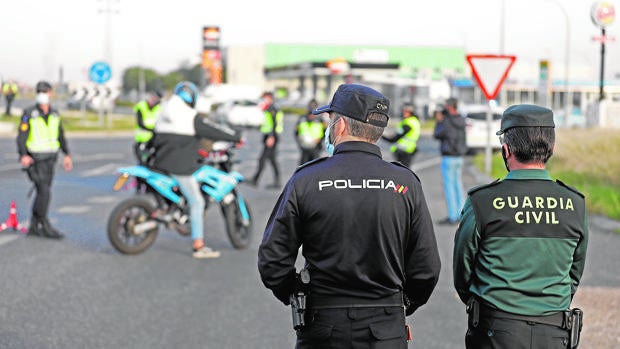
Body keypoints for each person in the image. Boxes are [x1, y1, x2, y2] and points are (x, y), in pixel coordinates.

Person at [258, 83, 441, 349]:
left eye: (330, 120)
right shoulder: (405, 183)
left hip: (322, 325)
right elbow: (426, 268)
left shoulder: (307, 179)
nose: (328, 127)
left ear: (341, 125)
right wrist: (399, 304)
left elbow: (272, 260)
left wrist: (297, 293)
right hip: (386, 327)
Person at [453, 104, 588, 349]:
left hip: (495, 330)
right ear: (552, 149)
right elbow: (573, 275)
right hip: (554, 332)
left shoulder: (482, 201)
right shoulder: (574, 203)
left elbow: (462, 271)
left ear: (506, 150)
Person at [152, 81, 242, 259]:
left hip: (160, 164)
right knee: (197, 202)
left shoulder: (163, 112)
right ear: (192, 97)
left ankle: (170, 211)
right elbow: (211, 130)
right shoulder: (190, 115)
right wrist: (235, 137)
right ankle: (198, 246)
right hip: (182, 167)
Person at [16, 80, 72, 239]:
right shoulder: (29, 114)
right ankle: (44, 223)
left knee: (43, 191)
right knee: (44, 192)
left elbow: (60, 135)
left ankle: (34, 225)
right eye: (40, 92)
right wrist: (23, 155)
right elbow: (22, 136)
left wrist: (67, 154)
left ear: (50, 94)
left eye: (45, 92)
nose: (43, 95)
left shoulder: (55, 114)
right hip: (36, 160)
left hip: (50, 159)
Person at [433, 97, 467, 225]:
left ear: (449, 106)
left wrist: (439, 121)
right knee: (458, 185)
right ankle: (461, 214)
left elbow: (437, 134)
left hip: (449, 156)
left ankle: (453, 216)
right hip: (459, 157)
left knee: (449, 187)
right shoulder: (461, 119)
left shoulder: (446, 121)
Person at [248, 91, 283, 189]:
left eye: (265, 98)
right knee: (272, 160)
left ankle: (255, 180)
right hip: (270, 136)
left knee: (262, 159)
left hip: (271, 137)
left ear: (270, 98)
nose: (263, 100)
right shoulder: (270, 108)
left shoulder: (272, 108)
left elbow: (274, 123)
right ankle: (276, 182)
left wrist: (271, 137)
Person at [133, 90, 162, 166]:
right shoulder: (141, 106)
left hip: (154, 139)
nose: (154, 100)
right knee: (142, 161)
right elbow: (140, 123)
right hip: (142, 139)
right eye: (153, 97)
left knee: (153, 161)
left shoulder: (159, 108)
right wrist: (151, 130)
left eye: (156, 99)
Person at [294, 98, 326, 165]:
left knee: (315, 168)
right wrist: (300, 143)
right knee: (303, 168)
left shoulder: (320, 120)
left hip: (316, 148)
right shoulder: (302, 119)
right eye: (310, 113)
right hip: (304, 148)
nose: (312, 115)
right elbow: (296, 133)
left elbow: (325, 133)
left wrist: (319, 141)